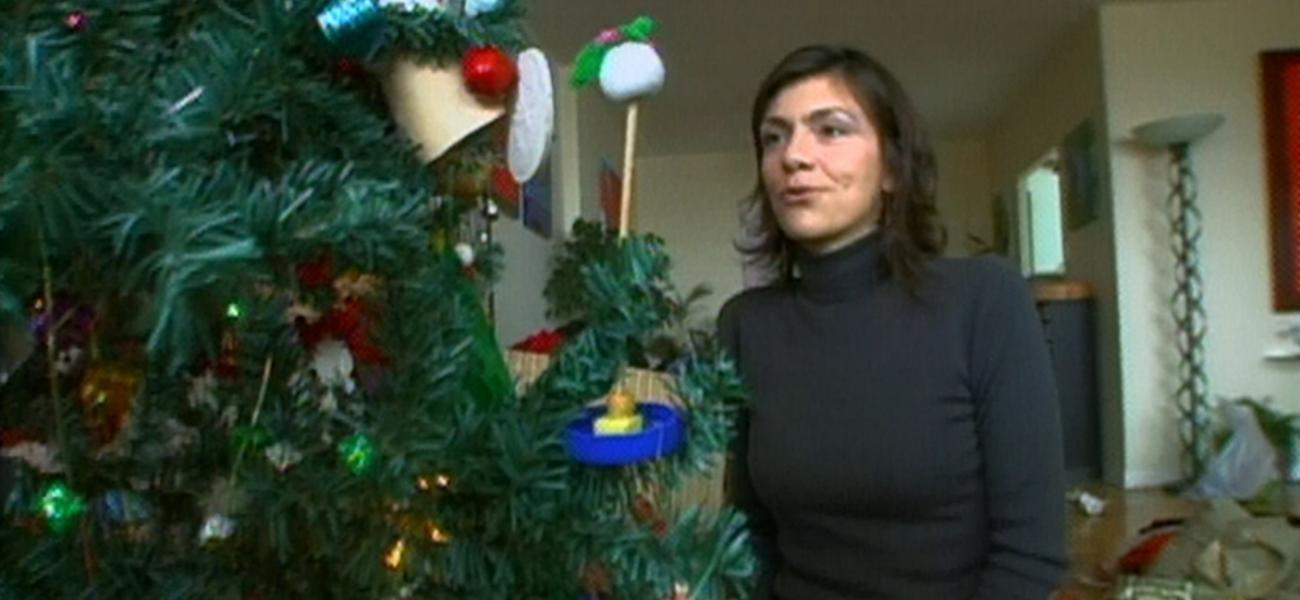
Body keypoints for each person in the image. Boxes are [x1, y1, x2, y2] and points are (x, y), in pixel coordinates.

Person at [718, 45, 1067, 599]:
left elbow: (1030, 556)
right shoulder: (745, 324)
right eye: (774, 138)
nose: (794, 156)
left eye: (831, 130)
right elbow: (750, 537)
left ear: (892, 167)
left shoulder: (985, 300)